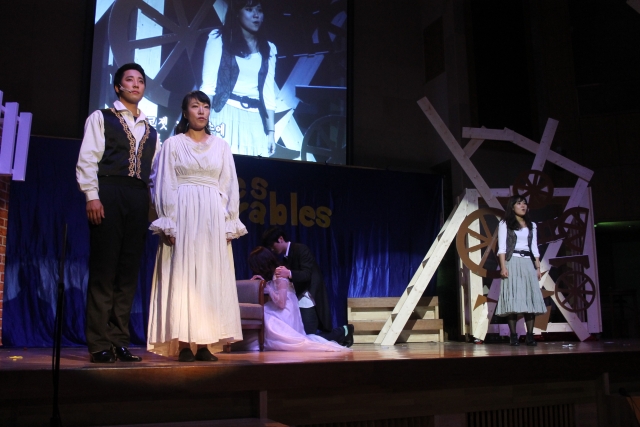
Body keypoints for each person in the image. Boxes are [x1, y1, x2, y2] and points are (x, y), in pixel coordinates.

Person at [147, 90, 247, 362]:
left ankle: (204, 343)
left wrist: (229, 222)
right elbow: (164, 182)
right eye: (195, 106)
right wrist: (169, 221)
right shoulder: (173, 144)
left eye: (205, 106)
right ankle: (182, 343)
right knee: (182, 276)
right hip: (183, 212)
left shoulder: (221, 146)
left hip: (212, 216)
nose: (201, 111)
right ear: (185, 112)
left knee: (208, 277)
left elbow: (229, 184)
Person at [77, 63, 159, 363]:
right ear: (117, 86)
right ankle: (99, 342)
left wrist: (155, 211)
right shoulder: (102, 118)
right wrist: (92, 196)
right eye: (130, 80)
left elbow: (155, 175)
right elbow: (88, 159)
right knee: (104, 269)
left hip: (138, 197)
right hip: (109, 191)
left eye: (140, 81)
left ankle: (119, 340)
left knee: (127, 272)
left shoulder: (152, 131)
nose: (136, 85)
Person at [200, 0, 277, 157]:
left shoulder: (269, 48)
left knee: (250, 170)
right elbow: (208, 87)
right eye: (249, 9)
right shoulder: (218, 39)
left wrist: (271, 132)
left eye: (259, 10)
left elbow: (268, 93)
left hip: (255, 120)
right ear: (237, 13)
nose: (256, 15)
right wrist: (201, 122)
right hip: (224, 113)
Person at [261, 227, 354, 347]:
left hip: (308, 297)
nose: (272, 249)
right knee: (303, 337)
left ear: (280, 239)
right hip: (297, 299)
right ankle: (343, 332)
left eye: (272, 245)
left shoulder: (301, 249)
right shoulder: (285, 258)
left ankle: (344, 331)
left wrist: (289, 273)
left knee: (306, 338)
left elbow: (307, 274)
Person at [247, 247, 350, 352]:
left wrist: (268, 288)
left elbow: (281, 303)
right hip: (283, 308)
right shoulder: (273, 274)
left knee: (265, 314)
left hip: (285, 310)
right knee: (261, 311)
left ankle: (342, 331)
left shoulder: (279, 274)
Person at [496, 195, 547, 346]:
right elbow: (502, 248)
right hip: (512, 261)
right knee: (513, 296)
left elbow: (534, 247)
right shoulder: (505, 224)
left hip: (527, 263)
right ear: (512, 207)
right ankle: (513, 335)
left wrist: (538, 267)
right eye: (519, 203)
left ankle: (530, 335)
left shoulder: (532, 225)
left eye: (524, 203)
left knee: (529, 297)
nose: (523, 206)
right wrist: (503, 267)